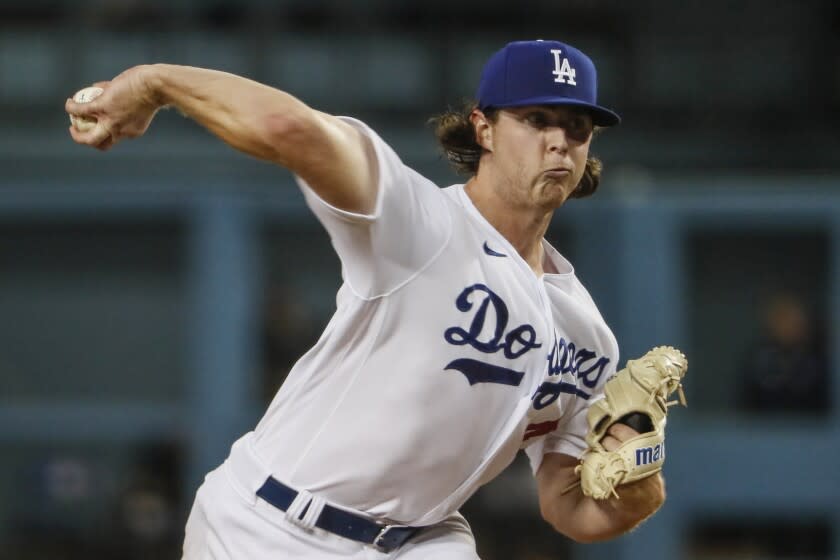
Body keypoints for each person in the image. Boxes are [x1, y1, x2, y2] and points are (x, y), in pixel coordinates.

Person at [66, 39, 666, 559]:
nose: (559, 142)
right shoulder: (421, 223)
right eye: (537, 119)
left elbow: (569, 509)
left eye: (577, 127)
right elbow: (287, 129)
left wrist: (640, 485)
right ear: (483, 127)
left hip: (423, 540)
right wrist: (156, 83)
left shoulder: (586, 335)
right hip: (271, 526)